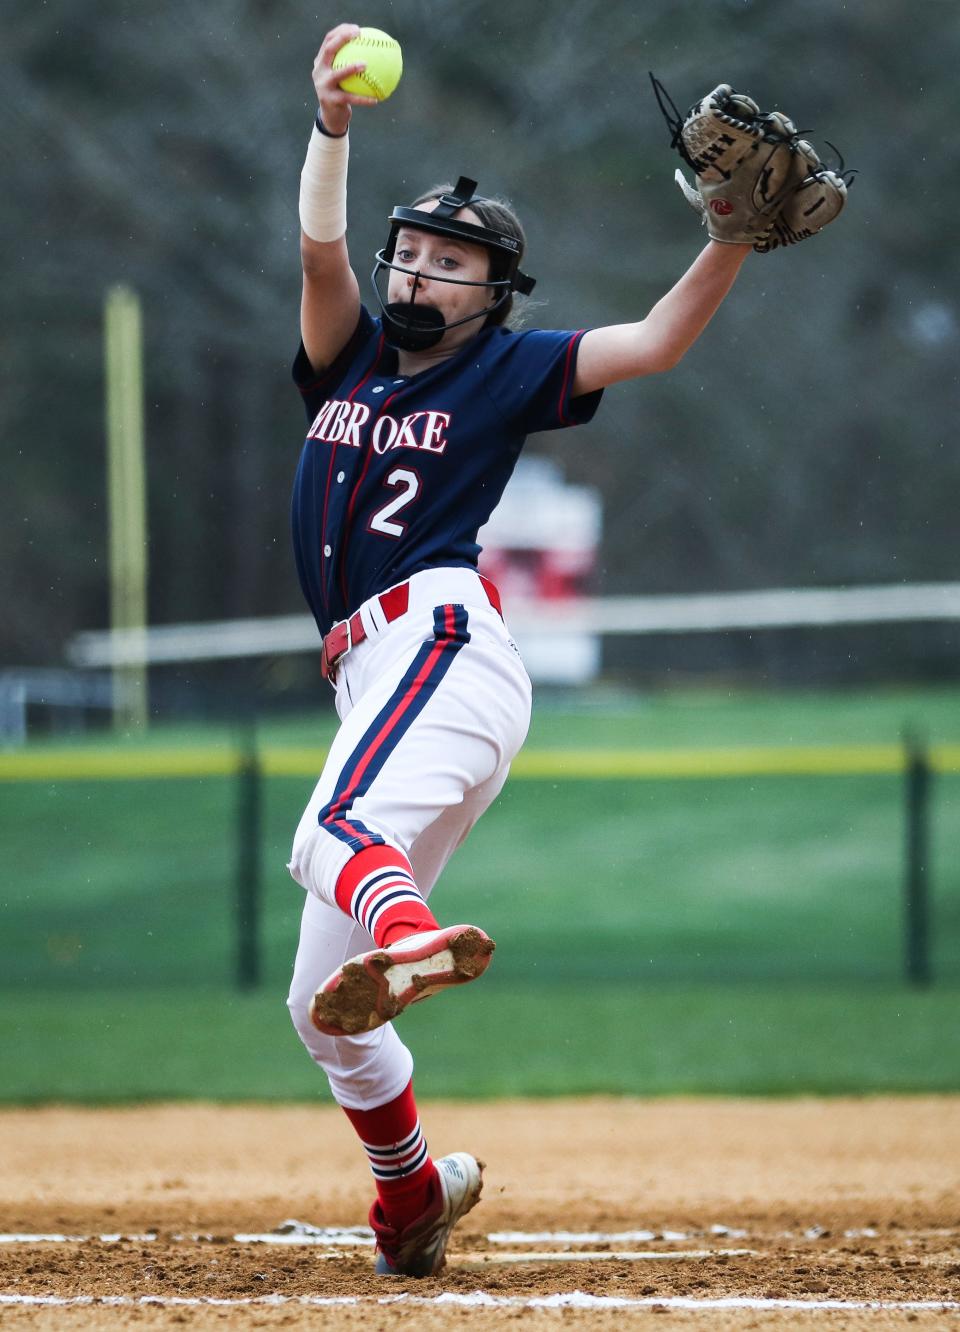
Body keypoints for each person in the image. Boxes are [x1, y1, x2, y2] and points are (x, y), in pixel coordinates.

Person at [285, 23, 753, 1278]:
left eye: (454, 263)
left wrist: (731, 238)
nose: (424, 274)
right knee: (316, 1014)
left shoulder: (499, 372)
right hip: (378, 678)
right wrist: (332, 124)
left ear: (493, 294)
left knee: (329, 843)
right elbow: (320, 248)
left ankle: (414, 935)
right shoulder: (351, 357)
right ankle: (415, 1195)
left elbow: (654, 341)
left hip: (438, 641)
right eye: (417, 253)